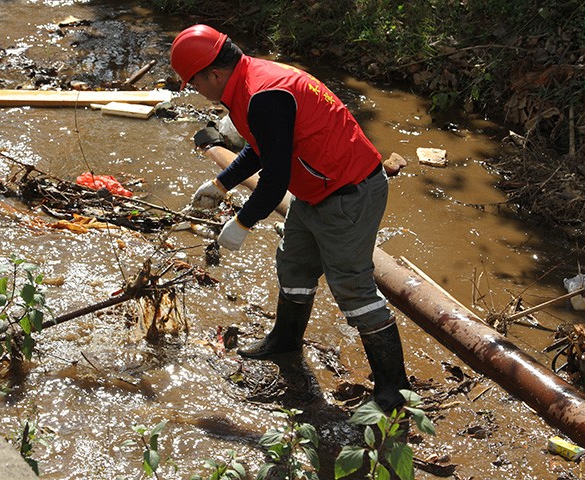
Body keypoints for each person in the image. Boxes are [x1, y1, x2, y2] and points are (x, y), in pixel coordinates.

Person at [170, 24, 410, 412]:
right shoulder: (246, 82)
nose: (195, 90)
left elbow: (275, 177)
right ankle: (285, 341)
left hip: (349, 192)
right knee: (294, 263)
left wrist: (243, 223)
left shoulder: (263, 94)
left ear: (213, 73)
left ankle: (394, 390)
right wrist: (220, 183)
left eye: (194, 82)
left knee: (353, 288)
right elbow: (262, 148)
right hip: (316, 189)